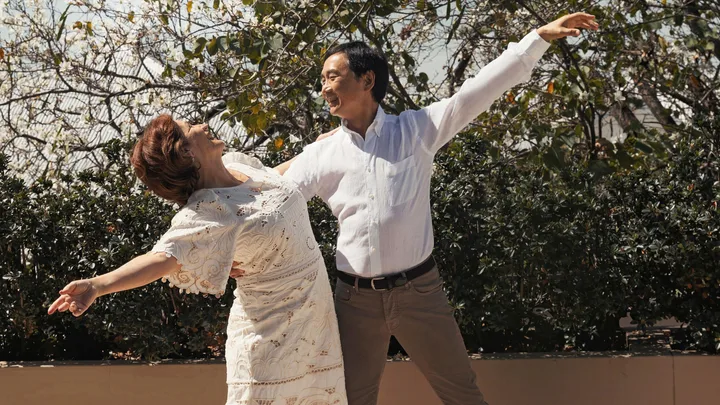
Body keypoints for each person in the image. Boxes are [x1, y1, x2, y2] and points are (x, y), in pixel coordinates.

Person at [280, 12, 600, 405]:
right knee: (349, 399)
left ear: (367, 80)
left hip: (419, 293)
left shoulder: (416, 130)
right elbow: (275, 198)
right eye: (323, 79)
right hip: (355, 301)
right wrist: (231, 240)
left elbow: (476, 92)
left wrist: (538, 38)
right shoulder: (322, 152)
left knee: (462, 394)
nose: (324, 88)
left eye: (332, 77)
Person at [48, 115, 348, 405]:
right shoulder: (208, 210)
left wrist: (318, 149)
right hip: (270, 344)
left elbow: (274, 184)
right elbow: (160, 258)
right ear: (186, 152)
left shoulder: (239, 167)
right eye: (191, 126)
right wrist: (98, 285)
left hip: (315, 333)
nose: (204, 125)